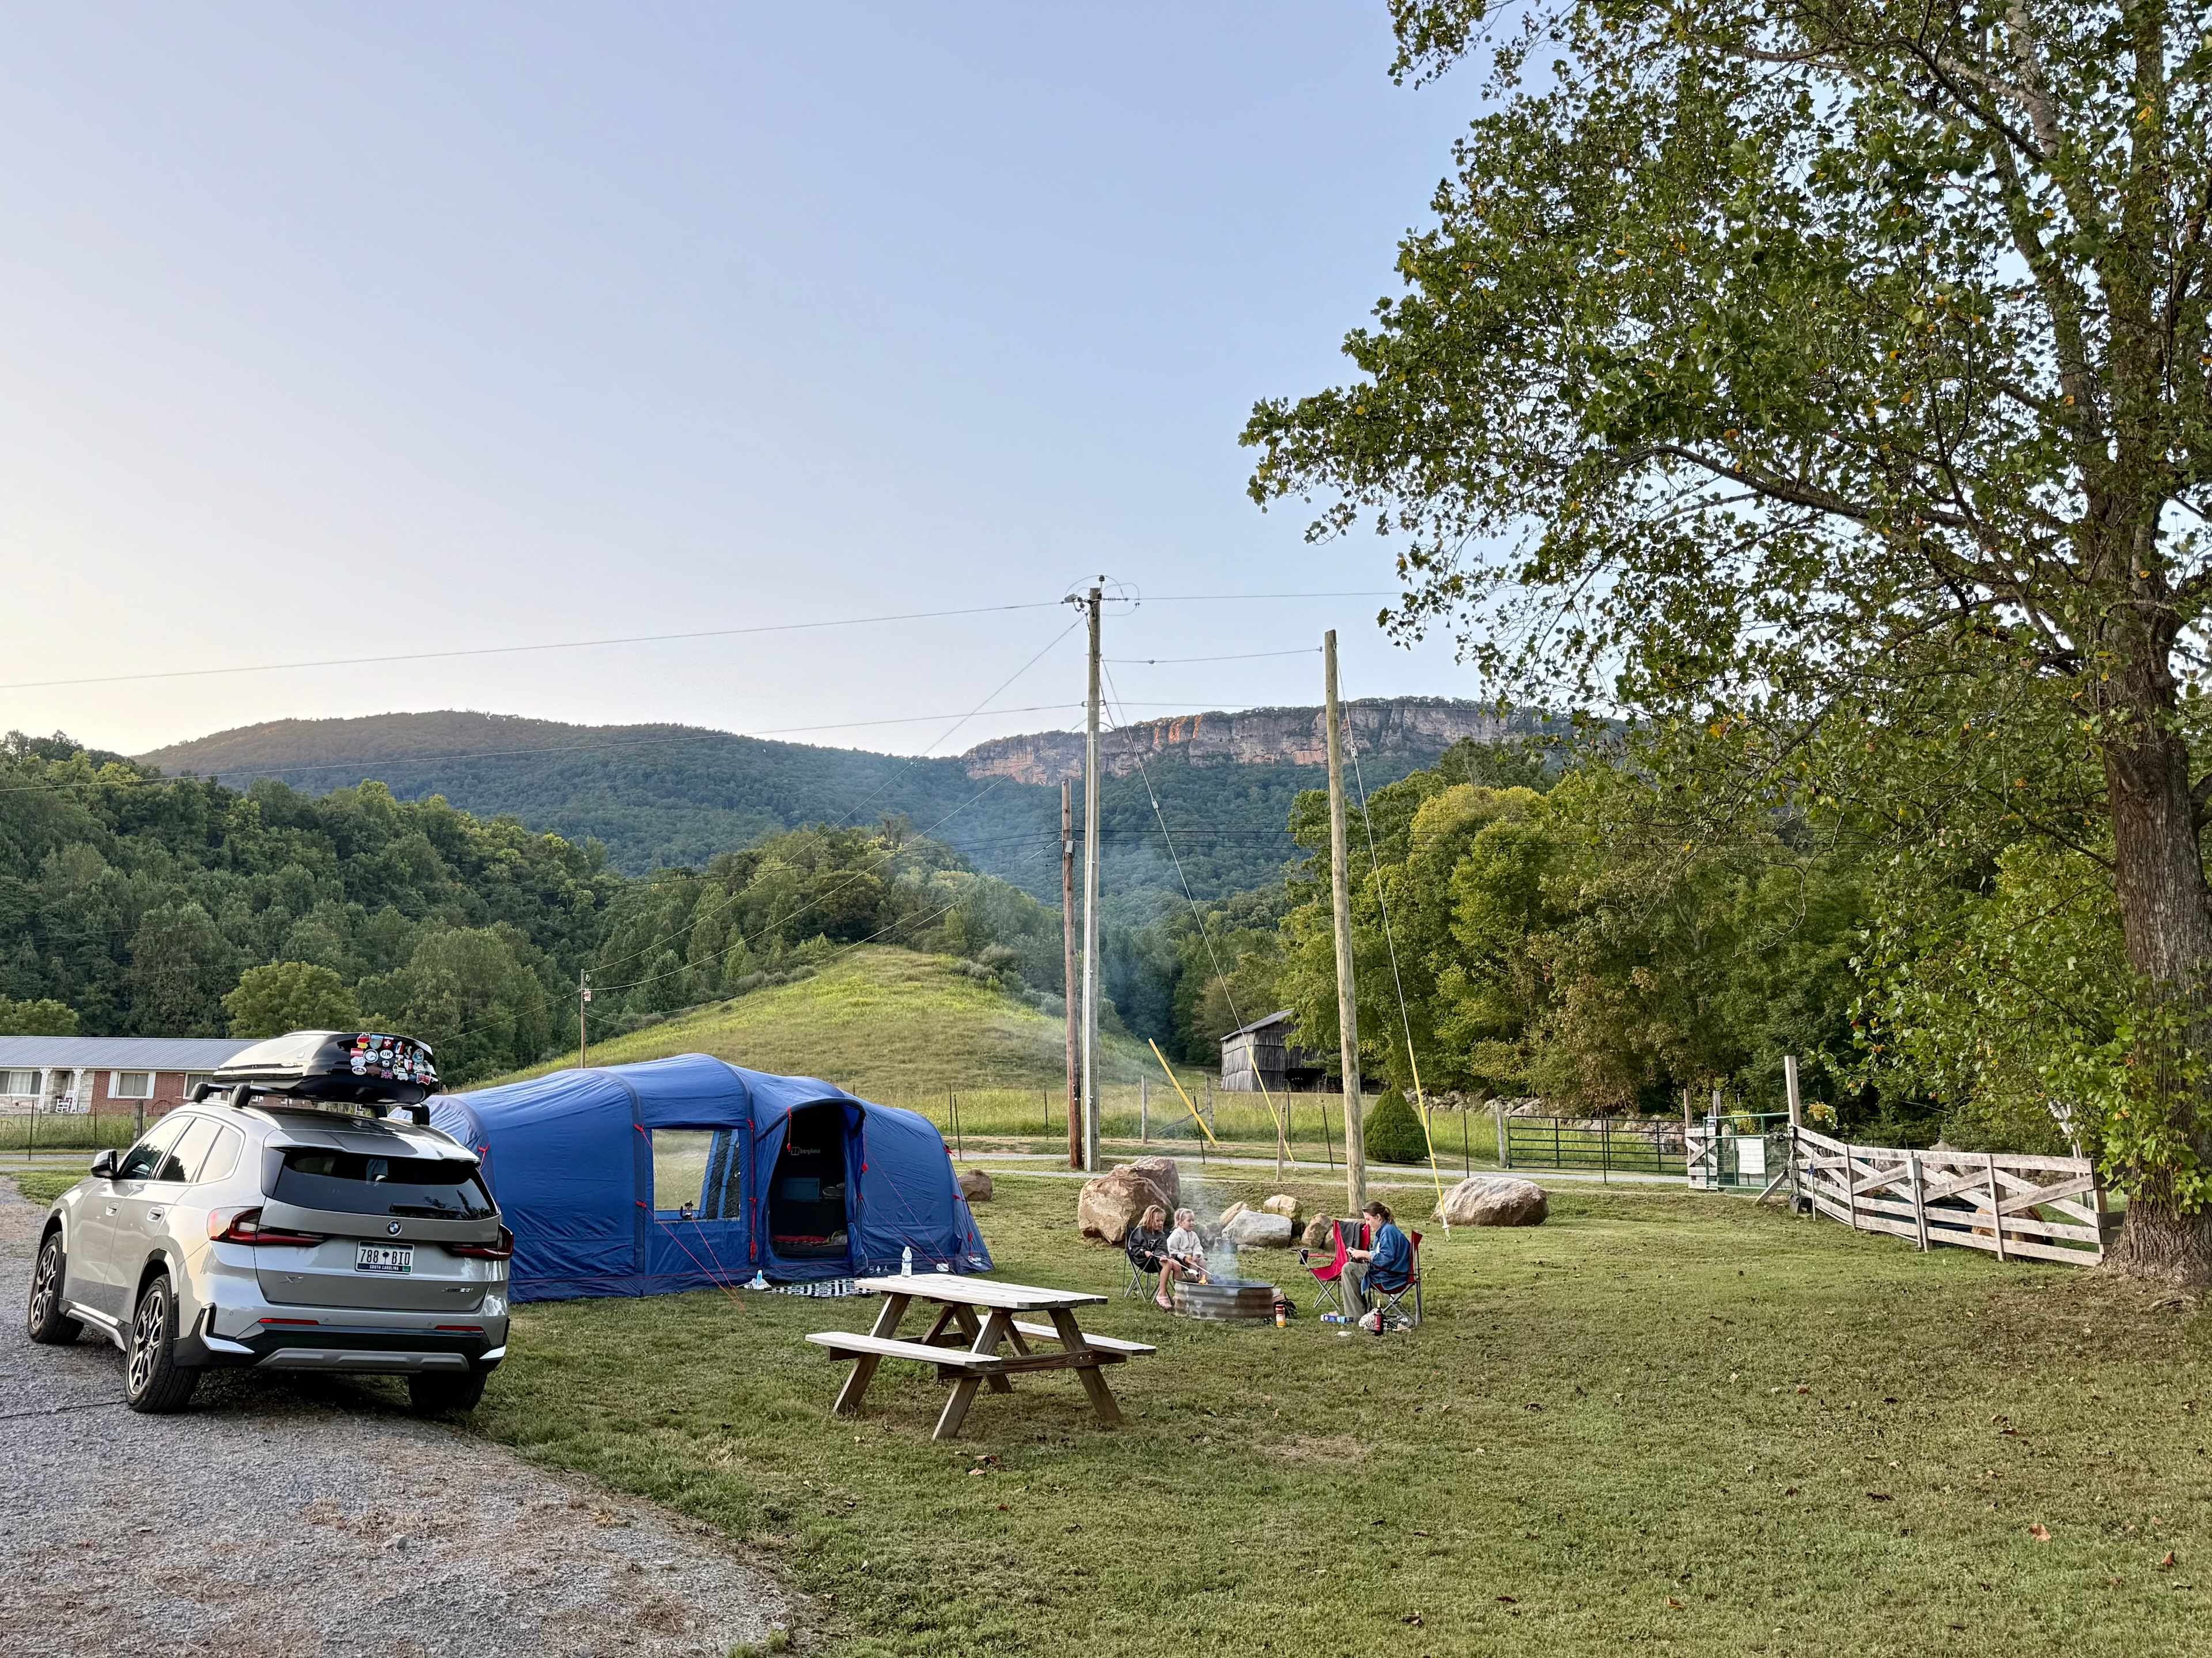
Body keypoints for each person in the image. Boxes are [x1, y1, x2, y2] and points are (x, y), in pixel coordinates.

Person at [1344, 1199, 1414, 1331]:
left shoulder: (1388, 1231)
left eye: (1369, 1220)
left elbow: (1386, 1258)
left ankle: (1356, 1316)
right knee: (1351, 1267)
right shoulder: (1386, 1230)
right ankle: (1359, 1312)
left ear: (1379, 1217)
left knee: (1349, 1269)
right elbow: (1382, 1255)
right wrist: (1364, 1257)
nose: (1367, 1223)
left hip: (1390, 1278)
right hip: (1390, 1272)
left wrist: (1365, 1254)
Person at [1164, 1208, 1207, 1283]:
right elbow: (1172, 1250)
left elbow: (1197, 1246)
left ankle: (1203, 1282)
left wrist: (1197, 1255)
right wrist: (1184, 1257)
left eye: (1193, 1220)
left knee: (1203, 1263)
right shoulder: (1176, 1234)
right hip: (1179, 1259)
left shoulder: (1193, 1235)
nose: (1192, 1223)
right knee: (1193, 1265)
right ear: (1181, 1223)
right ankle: (1192, 1283)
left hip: (1192, 1257)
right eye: (1189, 1221)